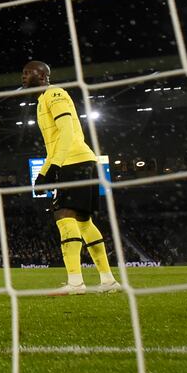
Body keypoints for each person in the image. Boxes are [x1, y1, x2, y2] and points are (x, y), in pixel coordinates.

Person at [22, 60, 121, 295]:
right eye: (23, 73)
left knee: (63, 216)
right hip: (78, 162)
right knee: (84, 223)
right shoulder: (40, 103)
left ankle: (75, 283)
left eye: (28, 72)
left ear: (44, 74)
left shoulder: (55, 93)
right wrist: (44, 171)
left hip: (74, 162)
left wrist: (55, 165)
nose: (23, 76)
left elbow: (67, 131)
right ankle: (108, 280)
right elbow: (54, 144)